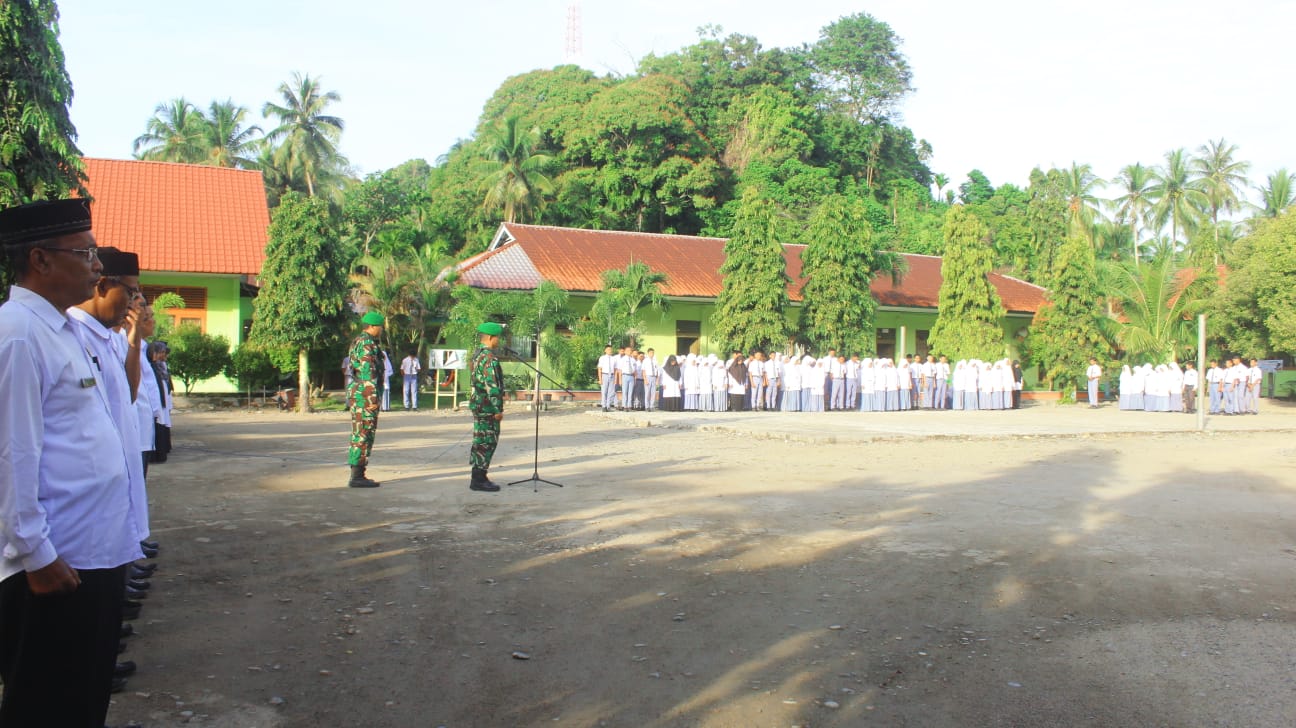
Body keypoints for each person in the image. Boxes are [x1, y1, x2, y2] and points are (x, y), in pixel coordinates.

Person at [0, 199, 144, 726]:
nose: (96, 266)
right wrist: (35, 554)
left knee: (82, 698)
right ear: (39, 260)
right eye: (84, 253)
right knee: (46, 702)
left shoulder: (57, 329)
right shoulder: (17, 333)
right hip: (57, 562)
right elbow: (11, 452)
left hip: (91, 551)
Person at [345, 311, 385, 488]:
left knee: (362, 432)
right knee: (363, 433)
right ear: (373, 327)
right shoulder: (367, 343)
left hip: (360, 391)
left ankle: (358, 473)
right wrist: (373, 397)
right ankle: (356, 476)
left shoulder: (358, 341)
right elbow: (369, 372)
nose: (381, 330)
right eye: (380, 327)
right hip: (365, 393)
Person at [468, 322, 506, 492]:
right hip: (488, 407)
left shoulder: (477, 356)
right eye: (498, 338)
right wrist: (498, 409)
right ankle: (478, 479)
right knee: (487, 441)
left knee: (480, 440)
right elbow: (492, 386)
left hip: (479, 404)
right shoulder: (489, 359)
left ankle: (479, 476)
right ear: (491, 338)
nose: (499, 341)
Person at [596, 345, 616, 412]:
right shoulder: (602, 358)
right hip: (604, 375)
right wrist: (600, 379)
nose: (610, 351)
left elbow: (615, 369)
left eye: (610, 349)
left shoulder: (613, 358)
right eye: (608, 349)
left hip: (612, 376)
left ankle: (608, 406)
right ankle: (604, 406)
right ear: (605, 350)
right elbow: (599, 369)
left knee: (611, 392)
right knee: (604, 391)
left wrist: (615, 378)